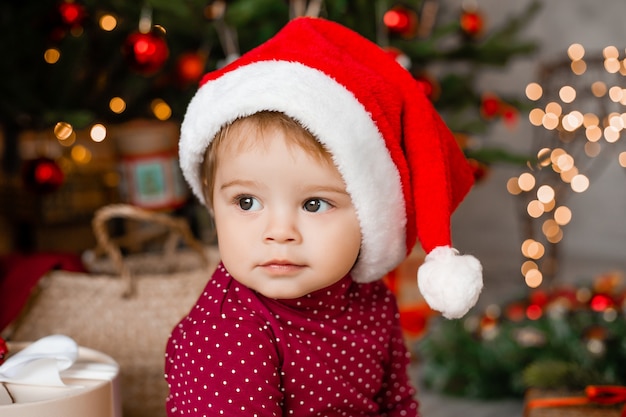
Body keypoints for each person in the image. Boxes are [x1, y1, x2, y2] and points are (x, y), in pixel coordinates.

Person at [166, 16, 483, 417]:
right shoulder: (227, 333)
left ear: (371, 217)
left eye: (314, 204)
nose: (279, 233)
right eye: (247, 202)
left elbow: (397, 401)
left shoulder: (372, 302)